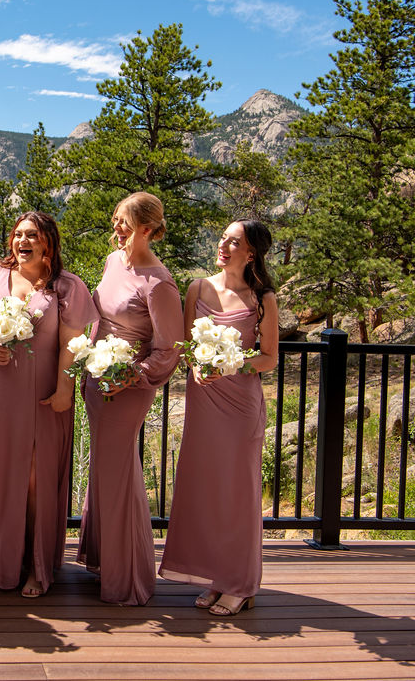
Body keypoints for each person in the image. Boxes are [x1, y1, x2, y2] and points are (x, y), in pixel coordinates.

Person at [0, 212, 97, 598]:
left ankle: (35, 563)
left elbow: (71, 344)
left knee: (34, 477)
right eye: (18, 234)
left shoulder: (67, 286)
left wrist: (65, 388)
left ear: (48, 243)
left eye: (32, 235)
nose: (23, 241)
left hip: (40, 392)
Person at [159, 219, 278, 616]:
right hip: (204, 402)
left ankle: (241, 584)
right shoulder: (198, 287)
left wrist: (232, 365)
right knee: (206, 489)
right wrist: (194, 365)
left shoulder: (263, 298)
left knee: (237, 493)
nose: (223, 245)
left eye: (234, 241)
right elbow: (186, 345)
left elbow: (269, 358)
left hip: (240, 405)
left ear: (251, 253)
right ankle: (216, 577)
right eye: (223, 238)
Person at [76, 191, 183, 606]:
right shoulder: (113, 262)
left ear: (146, 228)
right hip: (97, 380)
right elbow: (100, 318)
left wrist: (130, 375)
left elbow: (168, 348)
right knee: (103, 469)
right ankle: (105, 559)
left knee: (117, 472)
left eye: (123, 221)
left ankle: (129, 577)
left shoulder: (158, 283)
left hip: (127, 386)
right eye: (115, 219)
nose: (116, 228)